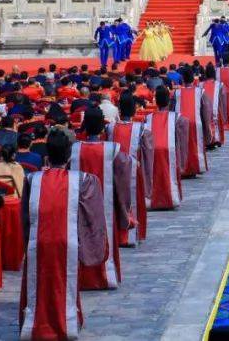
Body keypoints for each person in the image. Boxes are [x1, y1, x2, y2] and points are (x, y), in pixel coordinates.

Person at [20, 127, 109, 341]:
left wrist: (27, 242)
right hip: (67, 240)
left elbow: (25, 217)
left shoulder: (32, 180)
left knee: (39, 284)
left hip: (39, 240)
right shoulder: (83, 180)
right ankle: (65, 323)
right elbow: (93, 215)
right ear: (70, 156)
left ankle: (37, 325)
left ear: (47, 155)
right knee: (63, 285)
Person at [72, 107, 133, 290]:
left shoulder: (74, 150)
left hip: (78, 204)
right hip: (105, 204)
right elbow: (123, 176)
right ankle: (103, 276)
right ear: (101, 127)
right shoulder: (111, 150)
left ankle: (82, 277)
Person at [108, 96, 154, 247]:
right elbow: (148, 154)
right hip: (134, 171)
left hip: (114, 171)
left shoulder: (110, 128)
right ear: (134, 110)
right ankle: (131, 234)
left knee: (116, 203)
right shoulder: (141, 129)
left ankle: (118, 235)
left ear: (119, 110)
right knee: (133, 202)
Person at [145, 85, 183, 211]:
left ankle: (155, 199)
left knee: (154, 175)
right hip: (169, 149)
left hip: (153, 150)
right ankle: (170, 198)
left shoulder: (148, 118)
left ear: (156, 100)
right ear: (168, 100)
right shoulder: (176, 117)